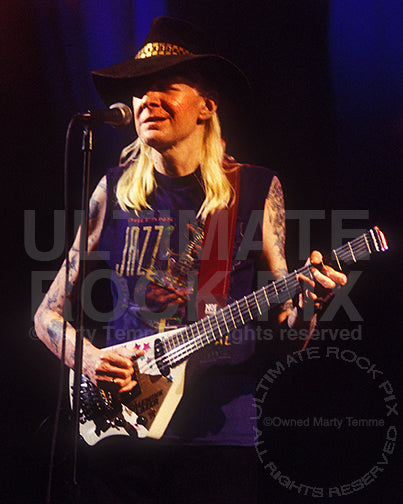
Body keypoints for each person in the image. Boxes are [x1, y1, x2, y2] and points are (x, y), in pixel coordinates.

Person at [34, 16, 347, 504]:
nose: (146, 100)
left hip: (216, 442)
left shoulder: (255, 190)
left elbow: (291, 333)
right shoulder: (112, 192)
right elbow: (46, 315)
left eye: (164, 86)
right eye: (139, 90)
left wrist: (312, 304)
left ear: (206, 105)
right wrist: (90, 360)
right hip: (118, 435)